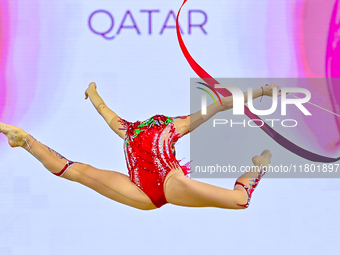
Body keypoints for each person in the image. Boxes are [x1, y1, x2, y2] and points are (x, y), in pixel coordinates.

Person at [0, 82, 280, 210]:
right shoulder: (139, 128)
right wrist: (93, 92)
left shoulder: (155, 127)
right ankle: (23, 139)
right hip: (143, 190)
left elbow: (221, 105)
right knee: (78, 171)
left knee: (240, 200)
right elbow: (103, 109)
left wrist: (262, 92)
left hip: (163, 186)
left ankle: (259, 167)